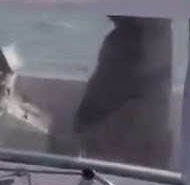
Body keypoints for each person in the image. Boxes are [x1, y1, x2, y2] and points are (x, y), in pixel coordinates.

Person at [71, 15, 174, 169]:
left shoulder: (130, 41)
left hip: (121, 136)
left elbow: (111, 88)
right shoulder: (158, 35)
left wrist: (83, 122)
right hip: (146, 136)